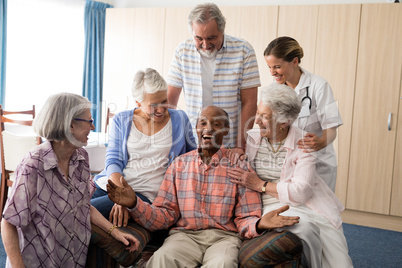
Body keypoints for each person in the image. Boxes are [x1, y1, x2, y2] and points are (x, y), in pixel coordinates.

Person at [107, 105, 301, 268]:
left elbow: (246, 217)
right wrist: (134, 203)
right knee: (161, 259)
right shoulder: (179, 165)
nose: (208, 128)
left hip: (224, 238)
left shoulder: (240, 166)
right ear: (196, 128)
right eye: (203, 123)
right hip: (184, 236)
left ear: (226, 131)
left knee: (223, 264)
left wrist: (258, 224)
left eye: (216, 124)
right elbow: (164, 215)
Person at [1, 93, 138, 268]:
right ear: (70, 124)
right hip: (36, 261)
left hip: (71, 259)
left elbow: (82, 206)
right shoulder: (34, 165)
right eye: (89, 121)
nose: (93, 126)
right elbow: (9, 223)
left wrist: (115, 232)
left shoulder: (81, 158)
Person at [228, 83, 353, 268]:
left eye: (264, 117)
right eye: (258, 113)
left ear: (284, 123)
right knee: (305, 227)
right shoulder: (251, 139)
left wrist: (260, 185)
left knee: (340, 261)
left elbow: (301, 192)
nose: (256, 121)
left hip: (308, 202)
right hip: (267, 203)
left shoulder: (304, 142)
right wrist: (236, 151)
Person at [91, 68, 196, 225]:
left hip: (144, 193)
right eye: (154, 105)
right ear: (138, 102)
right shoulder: (122, 119)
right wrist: (120, 195)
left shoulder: (179, 119)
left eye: (164, 101)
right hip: (111, 185)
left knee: (80, 213)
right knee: (70, 208)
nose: (161, 109)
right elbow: (113, 161)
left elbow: (194, 156)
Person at [167, 2, 260, 150]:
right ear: (192, 33)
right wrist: (171, 142)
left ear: (222, 31)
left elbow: (249, 102)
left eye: (211, 38)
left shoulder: (244, 51)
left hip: (230, 142)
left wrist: (239, 146)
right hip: (194, 143)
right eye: (199, 38)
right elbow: (170, 100)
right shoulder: (182, 51)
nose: (205, 44)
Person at [264, 36, 343, 191]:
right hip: (288, 162)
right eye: (269, 67)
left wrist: (320, 142)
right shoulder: (274, 88)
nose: (273, 73)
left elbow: (332, 129)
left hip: (317, 162)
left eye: (277, 67)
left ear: (294, 61)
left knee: (319, 211)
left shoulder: (318, 86)